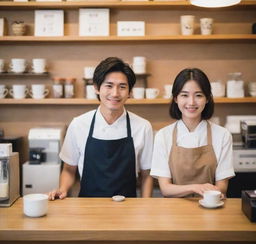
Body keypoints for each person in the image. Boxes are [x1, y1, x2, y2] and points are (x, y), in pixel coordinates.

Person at [49, 57, 153, 200]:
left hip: (129, 209)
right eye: (109, 86)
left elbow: (146, 175)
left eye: (122, 87)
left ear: (129, 92)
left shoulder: (143, 127)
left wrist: (145, 206)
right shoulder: (78, 124)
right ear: (97, 88)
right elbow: (69, 170)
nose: (115, 93)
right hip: (87, 208)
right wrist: (62, 189)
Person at [150, 68, 235, 198]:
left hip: (210, 207)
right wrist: (196, 188)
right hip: (173, 211)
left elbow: (222, 187)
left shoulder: (222, 135)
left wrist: (212, 193)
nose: (191, 102)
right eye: (184, 95)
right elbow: (165, 189)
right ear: (175, 98)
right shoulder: (163, 136)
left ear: (207, 99)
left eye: (198, 95)